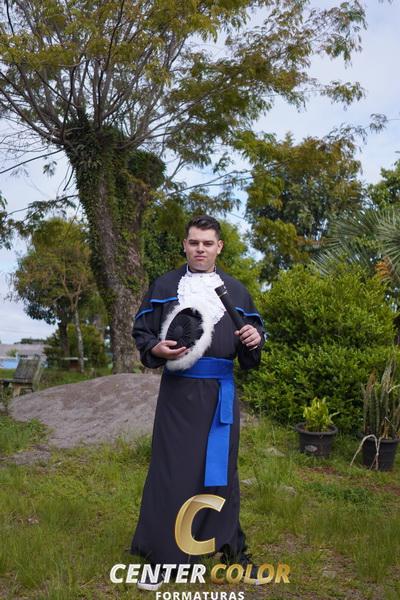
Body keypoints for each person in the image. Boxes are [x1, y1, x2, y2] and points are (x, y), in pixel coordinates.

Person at [130, 215, 265, 591]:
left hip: (220, 396)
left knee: (220, 474)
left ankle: (230, 551)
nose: (200, 249)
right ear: (185, 245)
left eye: (207, 243)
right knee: (172, 472)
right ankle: (163, 559)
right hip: (178, 395)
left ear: (219, 247)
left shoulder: (237, 291)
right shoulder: (165, 285)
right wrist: (155, 349)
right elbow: (142, 333)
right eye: (194, 242)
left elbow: (252, 347)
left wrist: (255, 339)